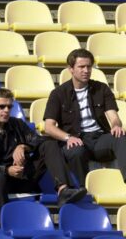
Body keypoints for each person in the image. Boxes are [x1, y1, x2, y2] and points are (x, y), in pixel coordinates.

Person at [0, 88, 86, 223]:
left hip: (20, 177)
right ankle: (6, 225)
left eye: (9, 107)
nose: (6, 110)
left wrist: (23, 146)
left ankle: (63, 190)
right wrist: (5, 170)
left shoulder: (17, 124)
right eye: (1, 106)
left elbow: (40, 140)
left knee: (50, 144)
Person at [44, 48, 126, 188]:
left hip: (99, 138)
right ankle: (83, 190)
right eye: (81, 67)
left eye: (89, 66)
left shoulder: (101, 88)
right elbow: (49, 127)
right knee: (76, 151)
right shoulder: (58, 93)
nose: (86, 70)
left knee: (121, 137)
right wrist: (67, 137)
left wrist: (116, 126)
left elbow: (113, 117)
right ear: (71, 69)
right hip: (76, 139)